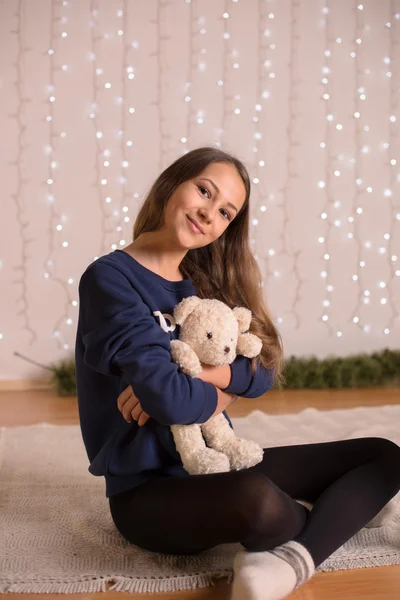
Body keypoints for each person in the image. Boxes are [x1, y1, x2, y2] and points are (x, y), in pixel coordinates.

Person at [75, 146, 400, 600]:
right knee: (258, 500)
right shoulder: (110, 279)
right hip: (147, 491)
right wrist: (190, 387)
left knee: (384, 455)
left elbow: (263, 365)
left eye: (225, 211)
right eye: (204, 191)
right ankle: (335, 518)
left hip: (218, 461)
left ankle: (287, 561)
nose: (209, 214)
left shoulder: (204, 277)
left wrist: (209, 380)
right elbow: (170, 400)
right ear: (172, 184)